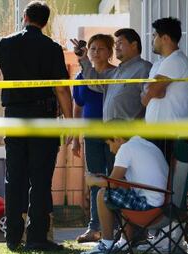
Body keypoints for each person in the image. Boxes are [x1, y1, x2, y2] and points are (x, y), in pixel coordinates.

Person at [0, 1, 72, 251]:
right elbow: (61, 88)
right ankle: (37, 237)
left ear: (24, 17)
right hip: (44, 119)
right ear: (45, 22)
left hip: (14, 118)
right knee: (40, 178)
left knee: (15, 178)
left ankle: (13, 238)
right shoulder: (53, 48)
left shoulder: (5, 43)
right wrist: (70, 121)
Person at [80, 135, 169, 254]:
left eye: (109, 144)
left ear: (117, 138)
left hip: (150, 209)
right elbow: (118, 182)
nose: (110, 150)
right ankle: (124, 243)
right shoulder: (148, 145)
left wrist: (92, 180)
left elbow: (112, 184)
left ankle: (106, 244)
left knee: (103, 194)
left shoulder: (126, 148)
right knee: (124, 192)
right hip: (164, 206)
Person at [72, 34, 116, 243]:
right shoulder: (81, 77)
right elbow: (77, 107)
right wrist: (74, 138)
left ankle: (115, 227)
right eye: (92, 48)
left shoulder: (116, 74)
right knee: (95, 180)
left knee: (115, 179)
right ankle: (94, 228)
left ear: (110, 52)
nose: (96, 52)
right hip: (90, 136)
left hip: (113, 136)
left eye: (100, 48)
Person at [71, 28, 152, 122]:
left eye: (120, 43)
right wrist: (83, 58)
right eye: (116, 44)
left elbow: (151, 102)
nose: (116, 47)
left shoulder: (144, 68)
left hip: (129, 134)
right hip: (110, 134)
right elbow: (94, 82)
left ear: (134, 45)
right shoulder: (115, 72)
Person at [141, 17, 188, 160]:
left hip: (168, 133)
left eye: (154, 36)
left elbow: (150, 93)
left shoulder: (175, 60)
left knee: (164, 179)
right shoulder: (161, 63)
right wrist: (150, 91)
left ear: (164, 38)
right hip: (158, 132)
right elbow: (149, 93)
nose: (152, 40)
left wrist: (149, 91)